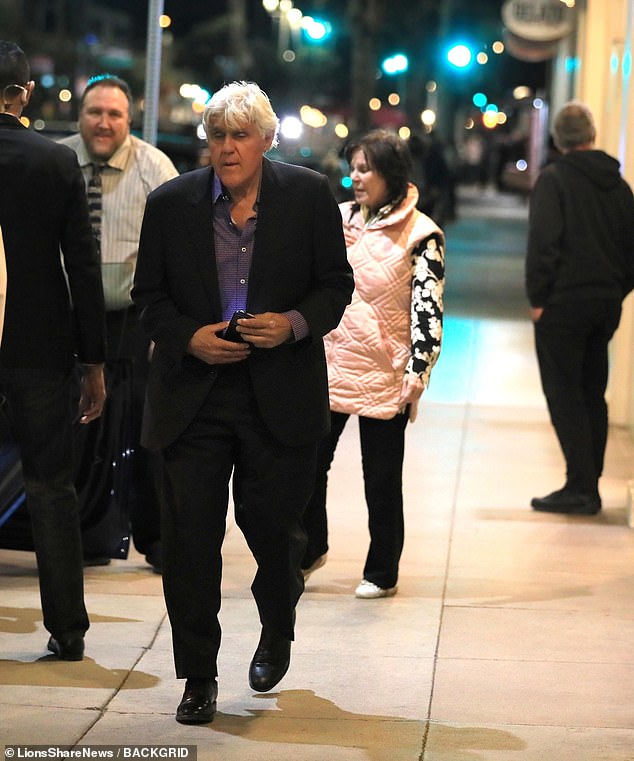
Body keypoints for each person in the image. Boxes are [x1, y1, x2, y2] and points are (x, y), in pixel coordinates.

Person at [131, 80, 353, 724]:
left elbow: (335, 286)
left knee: (278, 536)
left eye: (240, 135)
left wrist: (293, 324)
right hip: (192, 400)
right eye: (217, 135)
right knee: (189, 544)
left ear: (266, 140)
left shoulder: (309, 197)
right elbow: (149, 300)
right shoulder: (171, 204)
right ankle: (197, 674)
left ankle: (276, 627)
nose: (227, 148)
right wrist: (188, 337)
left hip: (278, 394)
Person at [301, 129, 445, 599]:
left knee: (380, 477)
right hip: (329, 361)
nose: (355, 177)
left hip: (387, 370)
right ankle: (309, 548)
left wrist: (418, 372)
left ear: (391, 174)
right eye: (353, 167)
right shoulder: (336, 218)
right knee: (307, 462)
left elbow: (428, 307)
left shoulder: (421, 232)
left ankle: (382, 570)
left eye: (365, 169)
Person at [0, 41, 107, 660]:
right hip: (38, 346)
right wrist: (92, 360)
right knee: (50, 486)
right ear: (22, 95)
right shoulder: (54, 163)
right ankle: (67, 626)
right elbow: (82, 266)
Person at [59, 74, 179, 572]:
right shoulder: (57, 161)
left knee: (149, 435)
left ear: (129, 120)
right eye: (94, 112)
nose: (103, 122)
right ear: (80, 116)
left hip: (135, 321)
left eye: (114, 114)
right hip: (65, 321)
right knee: (77, 433)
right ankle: (84, 534)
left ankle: (158, 540)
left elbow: (180, 251)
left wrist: (167, 328)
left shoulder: (156, 169)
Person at [526, 101, 634, 516]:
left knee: (564, 392)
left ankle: (580, 485)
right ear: (592, 134)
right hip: (605, 304)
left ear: (558, 139)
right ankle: (589, 480)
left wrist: (538, 299)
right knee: (593, 391)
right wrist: (615, 290)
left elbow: (543, 246)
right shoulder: (619, 185)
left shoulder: (554, 181)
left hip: (562, 305)